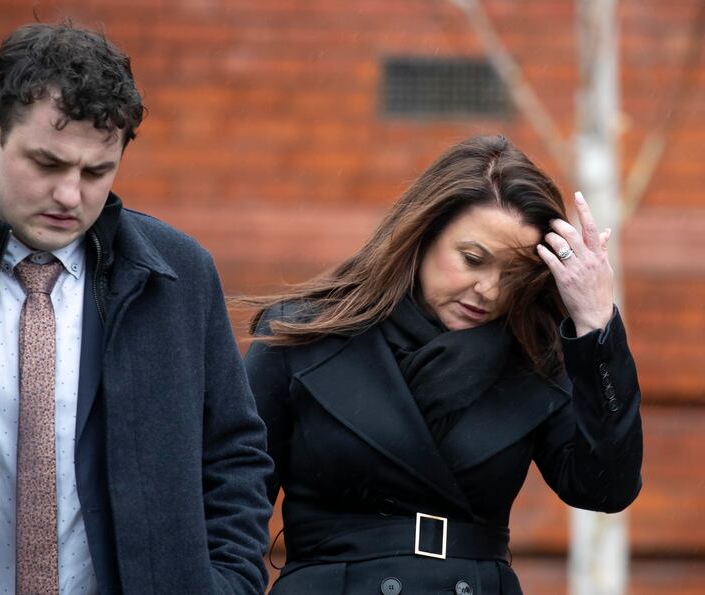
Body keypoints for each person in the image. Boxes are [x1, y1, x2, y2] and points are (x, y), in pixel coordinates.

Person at [0, 22, 272, 594]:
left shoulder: (180, 276)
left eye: (97, 171)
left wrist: (225, 584)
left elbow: (233, 455)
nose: (70, 195)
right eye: (48, 164)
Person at [244, 135, 642, 594]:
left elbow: (607, 486)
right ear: (424, 233)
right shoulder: (305, 335)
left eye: (512, 273)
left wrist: (596, 324)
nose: (489, 290)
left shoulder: (532, 357)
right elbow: (231, 498)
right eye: (473, 259)